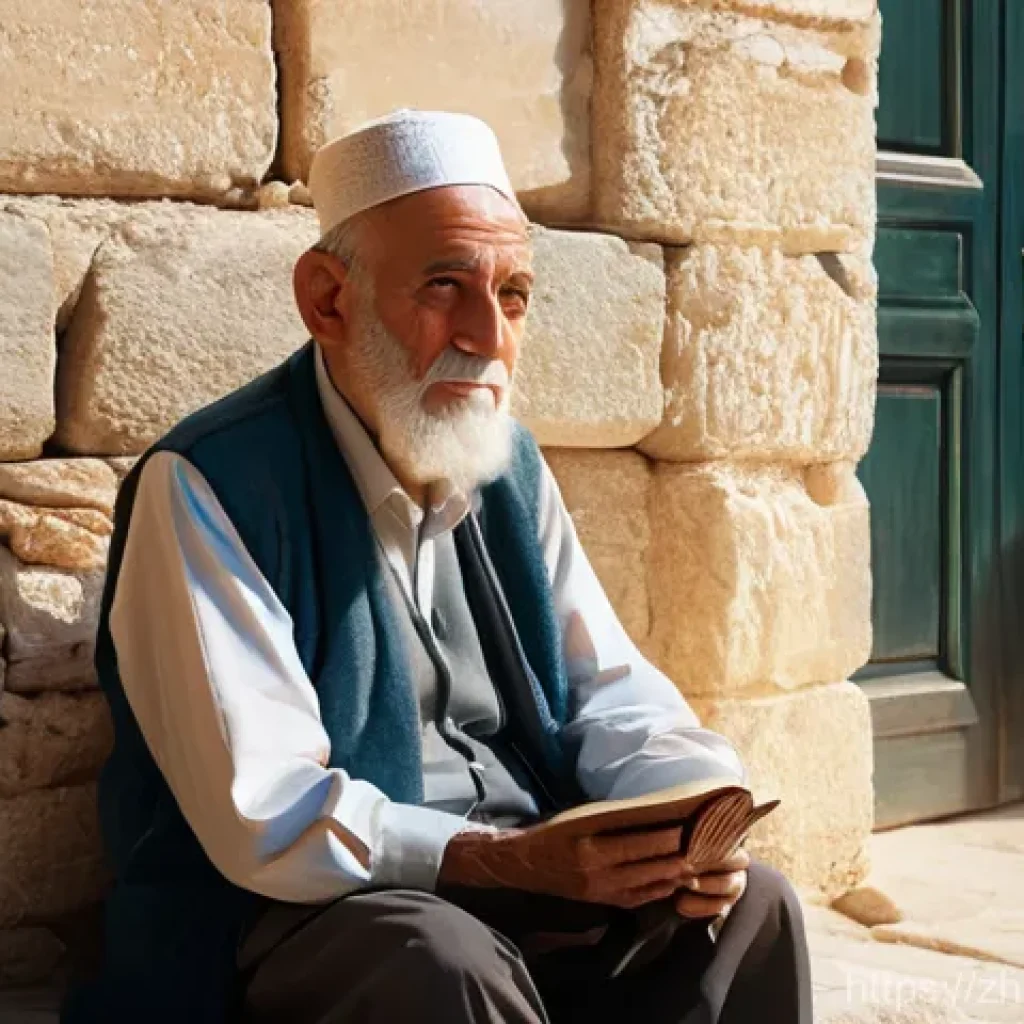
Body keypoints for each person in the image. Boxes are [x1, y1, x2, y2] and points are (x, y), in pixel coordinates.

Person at [64, 110, 812, 1024]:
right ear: (327, 301)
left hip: (526, 882)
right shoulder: (210, 484)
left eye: (513, 296)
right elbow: (265, 809)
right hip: (308, 916)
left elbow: (609, 689)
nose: (487, 335)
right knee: (439, 957)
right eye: (444, 286)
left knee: (754, 910)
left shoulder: (506, 463)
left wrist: (689, 815)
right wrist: (496, 860)